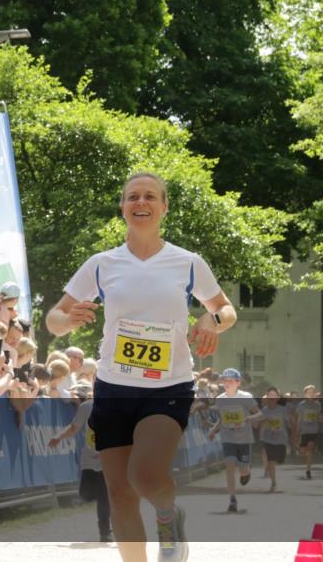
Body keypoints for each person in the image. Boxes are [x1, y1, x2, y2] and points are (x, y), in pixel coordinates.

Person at [45, 171, 237, 562]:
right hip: (114, 387)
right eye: (133, 197)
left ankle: (169, 515)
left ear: (164, 207)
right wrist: (66, 321)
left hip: (169, 387)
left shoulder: (187, 263)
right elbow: (53, 317)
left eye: (150, 196)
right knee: (119, 492)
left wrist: (208, 321)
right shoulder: (102, 264)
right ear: (123, 207)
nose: (141, 203)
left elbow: (227, 309)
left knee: (145, 475)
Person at [50, 383, 112, 543]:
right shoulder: (86, 407)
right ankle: (105, 503)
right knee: (85, 494)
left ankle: (105, 532)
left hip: (109, 458)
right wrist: (59, 436)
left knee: (104, 498)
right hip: (89, 459)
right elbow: (73, 427)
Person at [207, 368, 262, 512]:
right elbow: (222, 418)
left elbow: (259, 413)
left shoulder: (246, 397)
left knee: (242, 470)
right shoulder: (220, 399)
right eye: (225, 380)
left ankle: (246, 472)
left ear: (238, 383)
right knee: (230, 466)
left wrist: (251, 418)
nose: (227, 383)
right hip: (228, 438)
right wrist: (214, 429)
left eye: (230, 381)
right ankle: (232, 499)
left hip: (244, 439)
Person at [258, 386, 290, 493]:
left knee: (280, 460)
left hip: (281, 439)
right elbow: (260, 423)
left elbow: (290, 422)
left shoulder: (283, 410)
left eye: (274, 397)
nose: (271, 399)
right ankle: (273, 482)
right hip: (269, 439)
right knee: (271, 461)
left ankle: (273, 480)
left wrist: (294, 434)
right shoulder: (264, 410)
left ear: (277, 398)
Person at [293, 384, 323, 479]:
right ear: (305, 394)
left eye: (313, 392)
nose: (312, 394)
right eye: (309, 392)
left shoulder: (317, 405)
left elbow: (318, 416)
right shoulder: (301, 405)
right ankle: (302, 450)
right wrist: (297, 431)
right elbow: (299, 418)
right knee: (303, 451)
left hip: (313, 430)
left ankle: (308, 470)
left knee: (310, 448)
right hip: (304, 430)